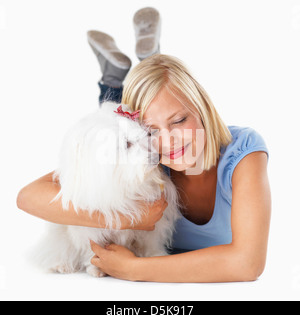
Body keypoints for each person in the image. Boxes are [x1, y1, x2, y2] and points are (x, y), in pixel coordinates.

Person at [16, 7, 271, 283]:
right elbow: (29, 196)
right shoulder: (149, 154)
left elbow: (248, 264)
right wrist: (129, 219)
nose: (167, 141)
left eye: (180, 120)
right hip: (129, 133)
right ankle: (128, 71)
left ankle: (132, 69)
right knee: (122, 122)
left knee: (156, 94)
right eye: (150, 131)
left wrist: (134, 269)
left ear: (203, 107)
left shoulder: (244, 152)